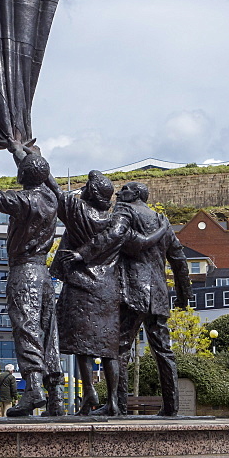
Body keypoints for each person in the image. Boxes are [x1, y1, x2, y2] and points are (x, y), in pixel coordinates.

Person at [49, 171, 167, 416]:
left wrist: (27, 154)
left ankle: (90, 391)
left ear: (89, 193)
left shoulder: (77, 212)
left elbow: (52, 186)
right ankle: (112, 400)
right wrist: (162, 229)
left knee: (82, 345)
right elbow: (142, 242)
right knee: (109, 348)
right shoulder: (117, 221)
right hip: (108, 291)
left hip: (81, 286)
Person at [77, 181, 190, 416]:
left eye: (125, 189)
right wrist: (183, 294)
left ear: (136, 194)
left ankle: (116, 406)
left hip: (132, 291)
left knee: (119, 348)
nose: (119, 193)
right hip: (158, 294)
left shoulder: (124, 211)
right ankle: (171, 407)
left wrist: (84, 254)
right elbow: (179, 260)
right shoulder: (162, 221)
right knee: (163, 350)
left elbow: (114, 236)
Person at [0, 140, 64, 416]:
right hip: (43, 274)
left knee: (26, 330)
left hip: (24, 271)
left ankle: (34, 389)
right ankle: (56, 396)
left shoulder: (25, 200)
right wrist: (21, 153)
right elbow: (39, 174)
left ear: (23, 176)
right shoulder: (51, 198)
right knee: (48, 333)